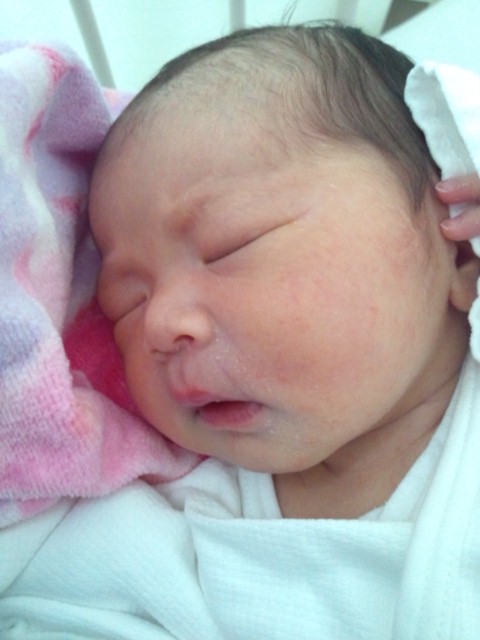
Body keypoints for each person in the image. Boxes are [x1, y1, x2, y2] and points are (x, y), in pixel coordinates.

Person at [2, 23, 480, 640]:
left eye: (229, 245)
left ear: (457, 252)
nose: (159, 326)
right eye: (126, 303)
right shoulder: (175, 513)